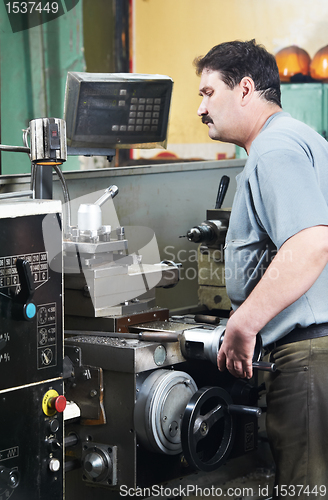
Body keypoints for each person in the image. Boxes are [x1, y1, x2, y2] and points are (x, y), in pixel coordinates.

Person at [194, 39, 328, 498]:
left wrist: (243, 323)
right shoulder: (305, 137)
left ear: (246, 88)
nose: (201, 109)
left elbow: (311, 243)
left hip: (310, 358)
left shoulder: (272, 150)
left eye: (208, 93)